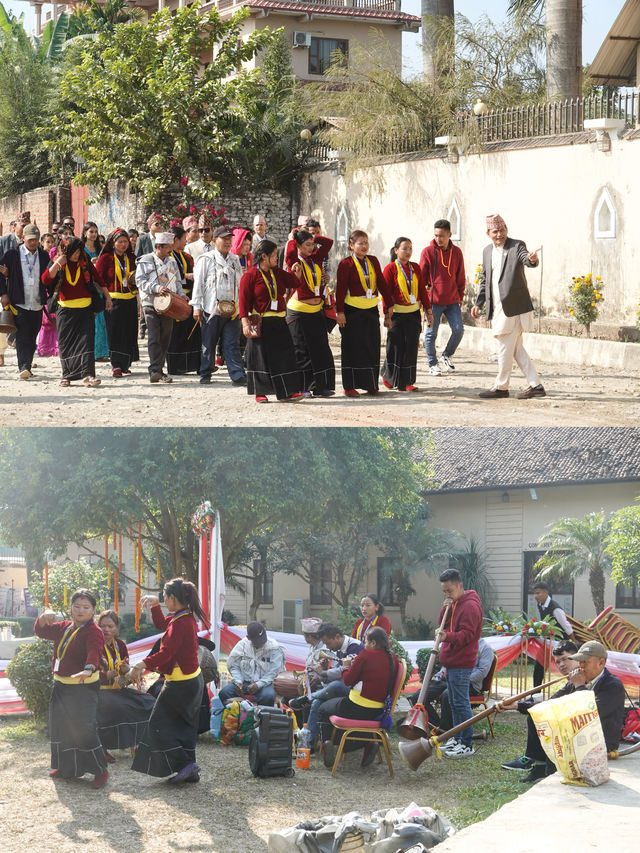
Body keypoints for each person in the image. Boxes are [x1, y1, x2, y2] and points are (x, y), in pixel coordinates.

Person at [129, 578, 206, 783]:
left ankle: (186, 765)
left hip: (181, 685)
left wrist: (140, 665)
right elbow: (163, 624)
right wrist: (155, 605)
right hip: (190, 682)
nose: (164, 601)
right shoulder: (183, 617)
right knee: (183, 727)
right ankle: (190, 772)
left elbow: (166, 653)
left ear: (172, 598)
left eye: (164, 598)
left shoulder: (181, 622)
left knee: (157, 725)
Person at [34, 589, 109, 788]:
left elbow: (94, 652)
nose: (80, 610)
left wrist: (88, 669)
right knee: (60, 727)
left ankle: (101, 770)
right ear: (70, 608)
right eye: (76, 606)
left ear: (93, 610)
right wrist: (43, 617)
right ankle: (66, 767)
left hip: (83, 687)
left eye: (86, 607)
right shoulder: (64, 627)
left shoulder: (94, 631)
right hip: (61, 685)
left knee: (84, 730)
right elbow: (41, 631)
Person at [472, 214, 545, 399]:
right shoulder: (487, 251)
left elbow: (527, 259)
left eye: (502, 230)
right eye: (495, 231)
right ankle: (536, 385)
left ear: (507, 230)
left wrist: (532, 259)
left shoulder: (517, 245)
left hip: (514, 307)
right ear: (488, 233)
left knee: (504, 345)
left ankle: (501, 387)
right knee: (515, 349)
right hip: (496, 307)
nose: (499, 234)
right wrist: (478, 302)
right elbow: (485, 280)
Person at [499, 640, 581, 782]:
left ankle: (546, 766)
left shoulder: (586, 678)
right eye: (558, 661)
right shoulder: (571, 681)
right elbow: (549, 703)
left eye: (565, 659)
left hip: (584, 729)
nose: (561, 664)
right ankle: (539, 766)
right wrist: (517, 705)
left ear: (577, 658)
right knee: (536, 715)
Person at [319, 626, 399, 769]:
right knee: (344, 726)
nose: (364, 645)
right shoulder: (392, 658)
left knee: (323, 709)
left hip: (356, 707)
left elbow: (348, 681)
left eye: (366, 642)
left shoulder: (365, 656)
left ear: (373, 643)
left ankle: (326, 742)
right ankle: (368, 742)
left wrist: (346, 666)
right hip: (378, 711)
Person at [238, 239, 305, 403]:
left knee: (284, 357)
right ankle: (260, 392)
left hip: (280, 321)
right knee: (260, 358)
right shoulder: (250, 276)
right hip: (261, 322)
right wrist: (245, 323)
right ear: (263, 256)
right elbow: (243, 303)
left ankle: (288, 391)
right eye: (274, 255)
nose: (276, 258)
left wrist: (296, 271)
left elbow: (295, 283)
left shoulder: (278, 273)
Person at [41, 236, 111, 387]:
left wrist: (108, 298)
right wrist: (57, 264)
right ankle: (67, 376)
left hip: (85, 310)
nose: (77, 254)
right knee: (66, 344)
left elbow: (99, 280)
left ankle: (88, 375)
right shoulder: (58, 261)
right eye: (74, 251)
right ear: (67, 251)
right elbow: (46, 279)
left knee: (86, 342)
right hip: (65, 310)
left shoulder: (84, 263)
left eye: (79, 251)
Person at [335, 230, 393, 397]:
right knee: (352, 348)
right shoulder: (346, 264)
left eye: (366, 242)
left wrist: (388, 307)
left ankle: (370, 384)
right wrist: (339, 312)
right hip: (352, 311)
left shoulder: (373, 261)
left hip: (371, 310)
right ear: (351, 246)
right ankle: (349, 386)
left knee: (371, 346)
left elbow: (381, 283)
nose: (364, 246)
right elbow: (340, 290)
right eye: (360, 243)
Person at [290, 623, 364, 751]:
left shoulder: (355, 647)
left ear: (337, 637)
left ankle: (308, 698)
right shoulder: (337, 650)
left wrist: (323, 673)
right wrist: (322, 673)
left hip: (356, 691)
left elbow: (343, 673)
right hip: (342, 688)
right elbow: (334, 674)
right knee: (317, 702)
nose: (327, 647)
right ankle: (309, 743)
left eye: (328, 643)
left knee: (335, 685)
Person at [190, 225, 246, 387]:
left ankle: (237, 375)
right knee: (209, 342)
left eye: (230, 239)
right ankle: (205, 372)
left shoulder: (235, 259)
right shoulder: (206, 259)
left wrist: (241, 306)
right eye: (225, 239)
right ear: (215, 241)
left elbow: (240, 284)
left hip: (232, 308)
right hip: (211, 308)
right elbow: (199, 284)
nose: (228, 243)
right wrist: (197, 307)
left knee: (231, 343)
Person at [437, 568, 483, 758]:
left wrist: (447, 636)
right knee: (454, 703)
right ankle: (456, 737)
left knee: (461, 703)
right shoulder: (455, 603)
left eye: (450, 591)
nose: (448, 595)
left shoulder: (470, 606)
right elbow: (443, 623)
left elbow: (468, 635)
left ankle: (466, 743)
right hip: (452, 661)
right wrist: (444, 608)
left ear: (460, 586)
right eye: (444, 592)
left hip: (462, 662)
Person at [96, 610, 155, 758]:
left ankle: (137, 742)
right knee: (119, 707)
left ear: (117, 628)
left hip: (117, 689)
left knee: (148, 702)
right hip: (98, 690)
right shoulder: (94, 644)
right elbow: (87, 671)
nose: (106, 630)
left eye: (110, 626)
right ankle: (102, 748)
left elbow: (124, 672)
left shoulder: (120, 645)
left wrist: (126, 670)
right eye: (103, 626)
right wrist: (106, 675)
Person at [284, 228, 335, 397]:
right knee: (302, 350)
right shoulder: (294, 259)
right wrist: (293, 239)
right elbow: (289, 253)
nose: (312, 247)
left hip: (316, 310)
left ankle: (322, 386)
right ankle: (303, 387)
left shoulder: (316, 259)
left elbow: (328, 243)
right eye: (307, 245)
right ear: (298, 246)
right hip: (298, 311)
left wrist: (312, 236)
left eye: (313, 244)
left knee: (321, 349)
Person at [136, 231, 188, 383]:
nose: (170, 250)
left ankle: (159, 369)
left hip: (169, 304)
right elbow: (140, 281)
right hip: (151, 303)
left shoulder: (171, 262)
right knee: (154, 335)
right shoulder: (146, 260)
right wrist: (156, 288)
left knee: (165, 337)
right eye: (168, 247)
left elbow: (177, 282)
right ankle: (153, 369)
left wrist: (181, 295)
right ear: (158, 247)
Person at [381, 236, 432, 392]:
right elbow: (386, 293)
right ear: (396, 251)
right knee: (395, 346)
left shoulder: (415, 268)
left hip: (413, 313)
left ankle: (406, 381)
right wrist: (387, 315)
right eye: (404, 248)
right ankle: (388, 376)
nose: (408, 251)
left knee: (411, 348)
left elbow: (422, 291)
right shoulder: (390, 269)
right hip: (396, 314)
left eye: (410, 248)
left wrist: (428, 311)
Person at [0, 223, 50, 379]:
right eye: (30, 240)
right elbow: (0, 274)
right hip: (19, 301)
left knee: (33, 334)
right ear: (23, 238)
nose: (33, 243)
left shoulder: (43, 255)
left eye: (36, 239)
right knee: (22, 335)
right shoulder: (12, 254)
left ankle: (27, 364)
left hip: (37, 302)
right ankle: (23, 366)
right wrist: (3, 294)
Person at [419, 219, 466, 375]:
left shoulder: (457, 252)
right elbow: (421, 277)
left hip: (452, 301)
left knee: (459, 330)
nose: (438, 239)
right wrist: (424, 301)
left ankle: (446, 355)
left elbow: (461, 276)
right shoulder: (427, 251)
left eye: (441, 236)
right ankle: (432, 363)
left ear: (449, 235)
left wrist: (460, 296)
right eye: (436, 235)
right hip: (434, 301)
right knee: (431, 333)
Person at [420, 638, 494, 732]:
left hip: (468, 684)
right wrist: (439, 674)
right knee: (419, 696)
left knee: (447, 695)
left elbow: (482, 672)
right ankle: (438, 727)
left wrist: (459, 679)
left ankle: (445, 730)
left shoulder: (485, 648)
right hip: (447, 680)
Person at [95, 228, 139, 378]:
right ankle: (116, 365)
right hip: (113, 300)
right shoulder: (106, 258)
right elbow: (98, 279)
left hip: (130, 299)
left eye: (125, 242)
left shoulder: (131, 258)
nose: (123, 245)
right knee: (115, 333)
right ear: (113, 243)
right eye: (120, 242)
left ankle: (126, 363)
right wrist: (104, 298)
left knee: (129, 332)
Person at [219, 621, 285, 707]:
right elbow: (234, 666)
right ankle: (234, 718)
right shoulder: (242, 645)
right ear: (248, 637)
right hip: (245, 682)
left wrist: (258, 684)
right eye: (257, 642)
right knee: (224, 693)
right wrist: (238, 682)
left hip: (266, 684)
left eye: (262, 640)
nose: (261, 644)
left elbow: (274, 672)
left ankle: (262, 719)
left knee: (267, 697)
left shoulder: (274, 648)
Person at [167, 224, 200, 376]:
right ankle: (175, 365)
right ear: (175, 240)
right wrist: (185, 276)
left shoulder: (185, 256)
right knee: (176, 333)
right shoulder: (167, 257)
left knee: (191, 332)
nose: (185, 242)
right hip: (174, 298)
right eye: (183, 239)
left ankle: (191, 364)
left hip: (189, 296)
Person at [532, 581, 574, 687]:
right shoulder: (540, 604)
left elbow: (566, 625)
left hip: (560, 643)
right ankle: (535, 693)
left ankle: (575, 688)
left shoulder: (555, 608)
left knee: (567, 667)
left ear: (546, 593)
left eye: (538, 593)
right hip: (548, 642)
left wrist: (574, 641)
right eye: (534, 593)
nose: (535, 596)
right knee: (539, 666)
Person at [83, 221, 109, 363]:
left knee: (100, 320)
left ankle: (101, 352)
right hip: (86, 286)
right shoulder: (81, 249)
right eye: (91, 231)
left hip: (98, 286)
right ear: (85, 233)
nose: (93, 234)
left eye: (95, 231)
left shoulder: (100, 248)